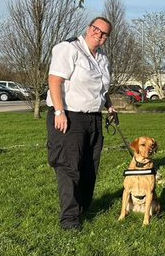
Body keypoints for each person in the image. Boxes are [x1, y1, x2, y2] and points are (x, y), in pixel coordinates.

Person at [46, 16, 118, 231]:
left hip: (93, 118)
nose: (99, 34)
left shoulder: (103, 58)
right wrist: (59, 112)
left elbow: (100, 89)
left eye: (104, 33)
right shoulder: (69, 48)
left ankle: (83, 209)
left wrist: (110, 106)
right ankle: (69, 220)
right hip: (69, 116)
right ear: (88, 28)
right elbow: (54, 80)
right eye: (96, 29)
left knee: (89, 167)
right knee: (69, 168)